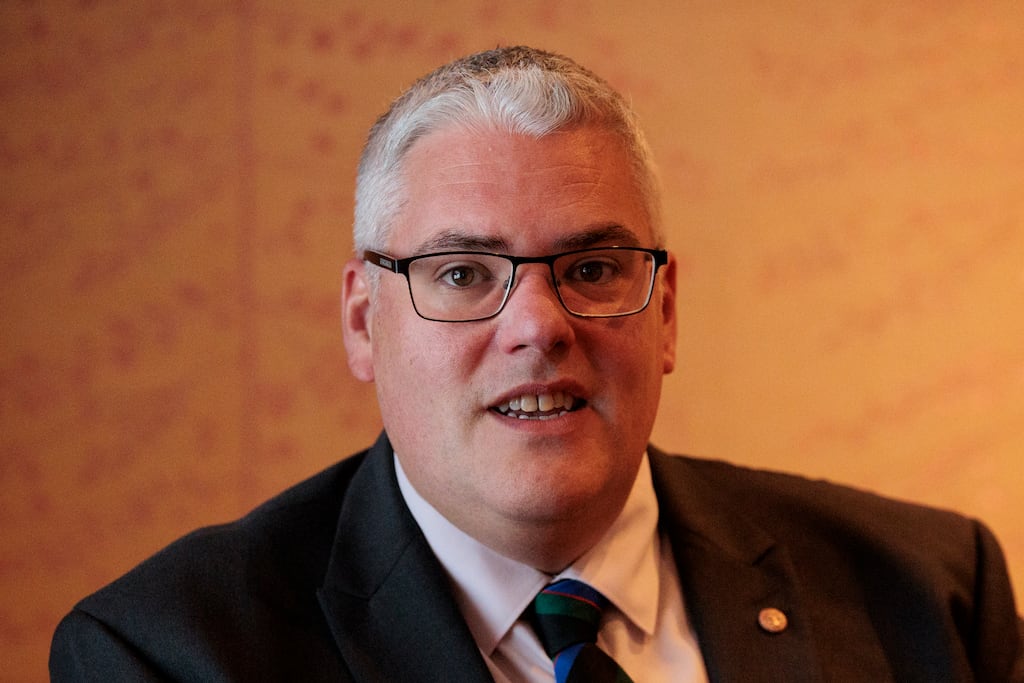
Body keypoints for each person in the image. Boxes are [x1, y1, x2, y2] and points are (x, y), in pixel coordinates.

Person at [51, 45, 1022, 682]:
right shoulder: (169, 651)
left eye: (592, 268)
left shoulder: (932, 595)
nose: (536, 326)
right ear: (362, 318)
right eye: (465, 271)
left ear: (667, 313)